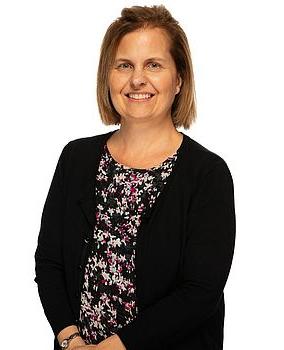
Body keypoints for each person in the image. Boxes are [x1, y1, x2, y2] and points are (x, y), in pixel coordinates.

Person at [34, 4, 236, 350]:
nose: (137, 79)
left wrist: (118, 346)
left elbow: (200, 292)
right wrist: (71, 340)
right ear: (107, 76)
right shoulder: (76, 159)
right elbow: (49, 262)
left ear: (179, 79)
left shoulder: (207, 174)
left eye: (153, 65)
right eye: (124, 65)